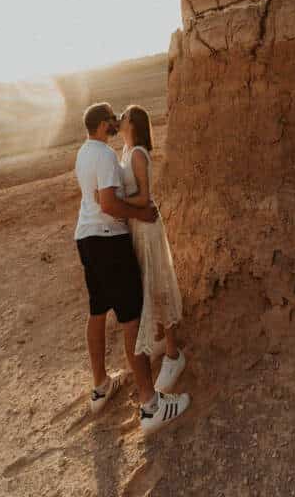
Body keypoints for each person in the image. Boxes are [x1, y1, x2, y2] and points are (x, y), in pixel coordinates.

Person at [73, 101, 190, 433]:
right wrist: (138, 213)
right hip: (109, 238)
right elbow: (109, 203)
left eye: (119, 118)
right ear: (101, 124)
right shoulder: (109, 155)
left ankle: (100, 387)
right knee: (130, 318)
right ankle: (151, 406)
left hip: (86, 237)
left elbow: (102, 199)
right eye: (112, 119)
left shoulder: (83, 154)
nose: (115, 123)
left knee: (97, 311)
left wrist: (133, 210)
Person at [119, 104, 186, 393]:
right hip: (138, 226)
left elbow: (145, 197)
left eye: (123, 116)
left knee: (157, 285)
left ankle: (173, 354)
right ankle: (160, 340)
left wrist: (115, 203)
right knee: (147, 284)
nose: (119, 120)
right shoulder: (127, 151)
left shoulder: (136, 154)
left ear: (132, 123)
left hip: (146, 228)